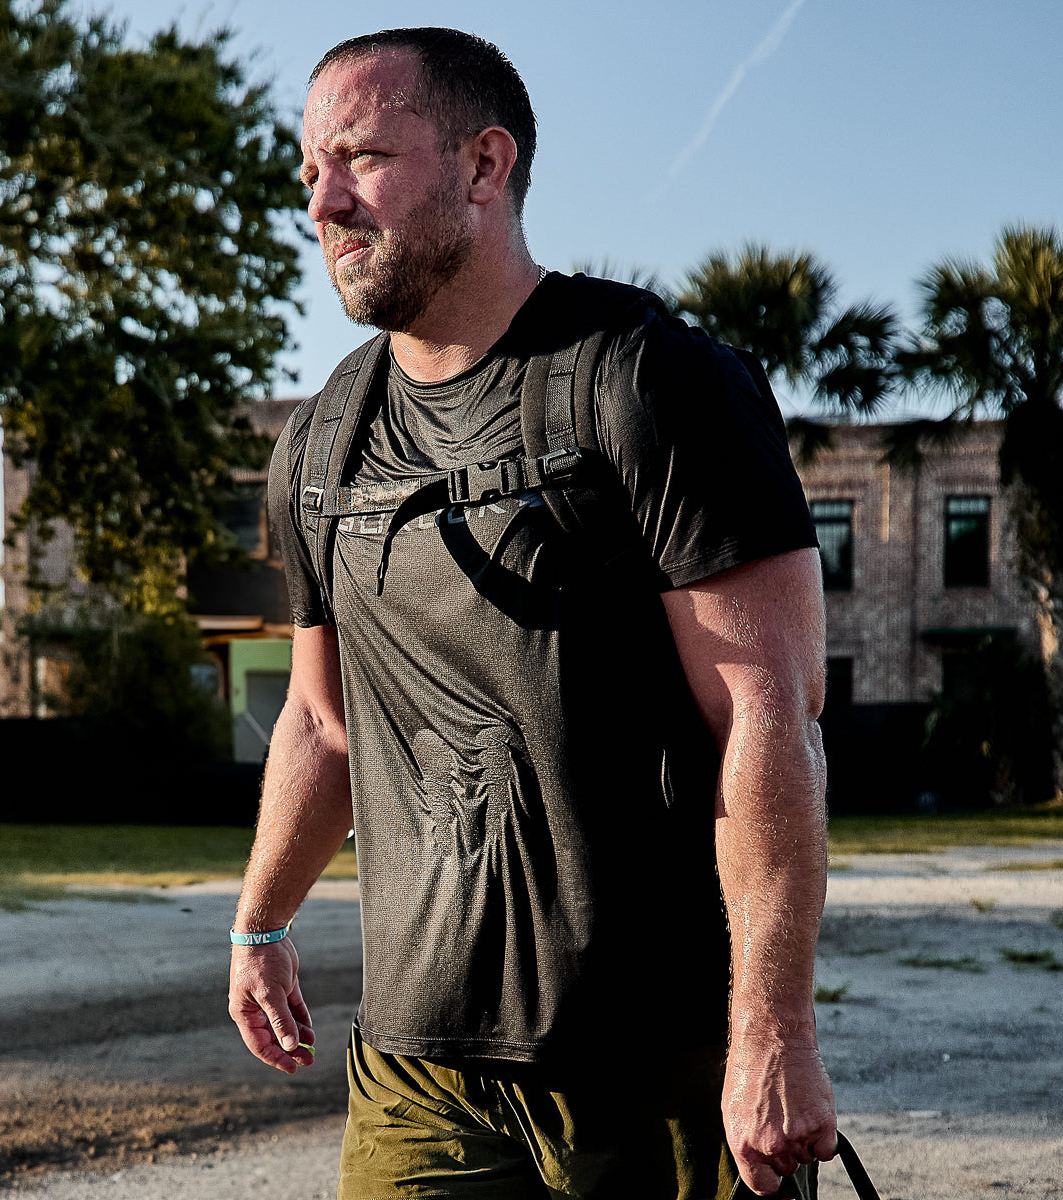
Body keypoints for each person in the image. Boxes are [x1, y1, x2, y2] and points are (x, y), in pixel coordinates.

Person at [229, 26, 837, 1200]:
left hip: (656, 1063)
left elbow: (770, 714)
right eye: (310, 170)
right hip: (417, 1071)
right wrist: (260, 921)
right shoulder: (318, 446)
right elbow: (320, 724)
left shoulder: (649, 380)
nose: (325, 202)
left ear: (483, 165)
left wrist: (776, 1032)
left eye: (360, 156)